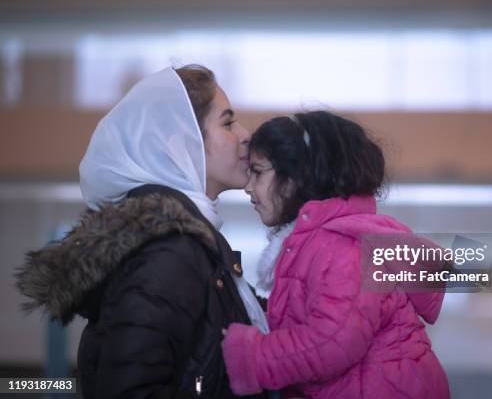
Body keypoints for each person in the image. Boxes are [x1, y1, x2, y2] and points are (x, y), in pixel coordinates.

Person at [15, 65, 269, 398]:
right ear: (182, 142)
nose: (245, 134)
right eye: (227, 122)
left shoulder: (186, 243)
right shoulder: (170, 251)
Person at [221, 111, 450, 398]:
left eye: (258, 172)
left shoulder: (342, 246)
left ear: (295, 178)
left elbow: (332, 340)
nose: (248, 186)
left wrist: (250, 356)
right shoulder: (320, 241)